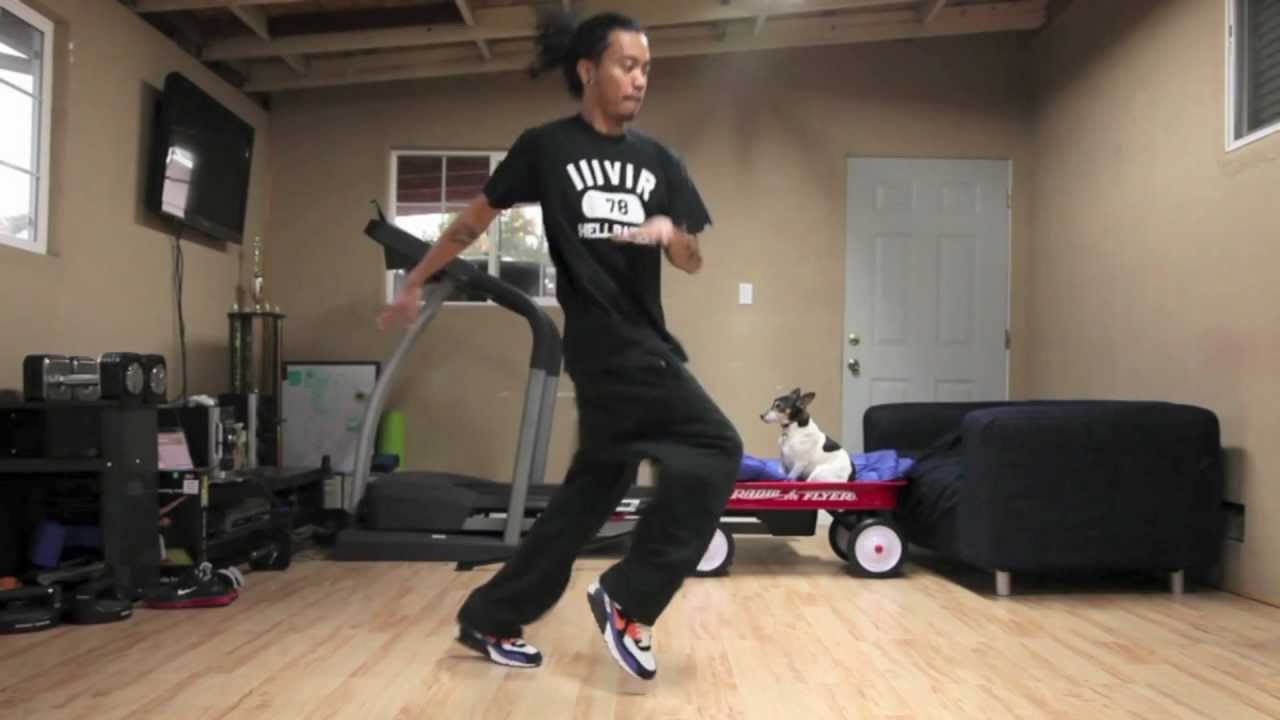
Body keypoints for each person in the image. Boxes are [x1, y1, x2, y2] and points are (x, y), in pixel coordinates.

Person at [378, 9, 743, 682]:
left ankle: (492, 615)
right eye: (627, 65)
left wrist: (671, 235)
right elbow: (471, 223)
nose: (640, 79)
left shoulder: (661, 160)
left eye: (647, 69)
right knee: (716, 448)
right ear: (588, 69)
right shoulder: (546, 148)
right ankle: (630, 601)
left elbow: (693, 259)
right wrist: (416, 279)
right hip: (612, 346)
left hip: (638, 340)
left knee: (590, 496)